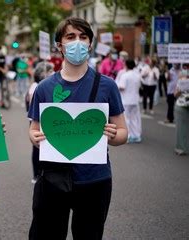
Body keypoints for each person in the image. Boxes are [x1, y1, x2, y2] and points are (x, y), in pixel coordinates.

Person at [28, 17, 128, 240]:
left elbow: (123, 133)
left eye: (83, 37)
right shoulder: (45, 87)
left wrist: (113, 136)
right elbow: (33, 130)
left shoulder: (107, 85)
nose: (78, 43)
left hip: (95, 180)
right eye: (70, 37)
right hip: (54, 179)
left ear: (90, 44)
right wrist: (36, 138)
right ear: (59, 45)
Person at [26, 61, 54, 183]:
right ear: (43, 73)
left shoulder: (48, 85)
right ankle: (36, 174)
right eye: (50, 71)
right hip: (37, 120)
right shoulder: (35, 86)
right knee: (37, 148)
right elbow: (35, 106)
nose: (53, 73)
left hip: (47, 120)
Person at [117, 59, 142, 143]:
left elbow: (122, 87)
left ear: (126, 65)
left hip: (126, 100)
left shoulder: (125, 75)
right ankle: (136, 135)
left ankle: (127, 136)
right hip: (135, 100)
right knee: (134, 118)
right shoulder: (137, 75)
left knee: (126, 119)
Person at [174, 64, 189, 155]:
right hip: (182, 106)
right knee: (181, 129)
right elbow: (175, 94)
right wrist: (181, 88)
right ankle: (180, 148)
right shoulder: (183, 76)